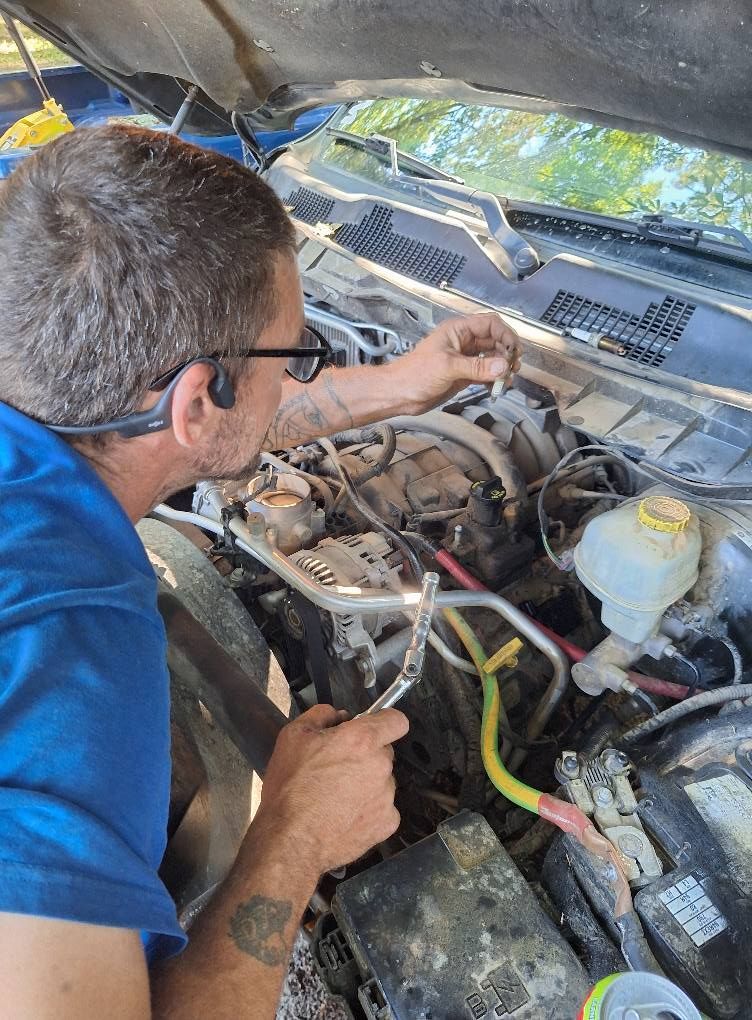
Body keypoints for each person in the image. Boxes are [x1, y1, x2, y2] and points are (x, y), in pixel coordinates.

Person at [0, 124, 521, 1018]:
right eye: (294, 356)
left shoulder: (50, 396)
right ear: (199, 399)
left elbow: (187, 424)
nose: (298, 375)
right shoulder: (69, 667)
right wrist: (298, 831)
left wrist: (397, 384)